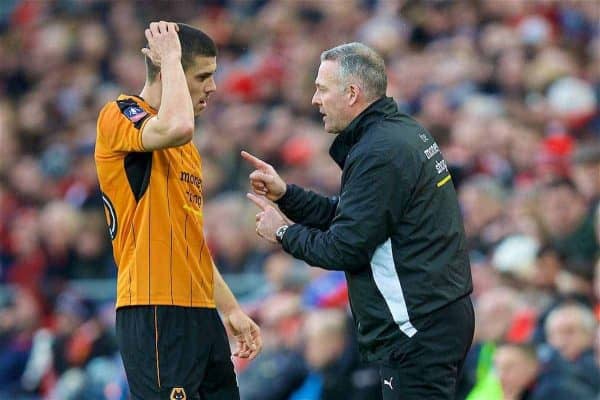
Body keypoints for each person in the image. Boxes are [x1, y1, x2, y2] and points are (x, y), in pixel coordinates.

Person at [243, 42, 474, 399]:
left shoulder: (379, 151)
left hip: (416, 326)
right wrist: (286, 195)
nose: (314, 100)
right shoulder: (401, 132)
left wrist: (283, 233)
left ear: (352, 93)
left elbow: (345, 247)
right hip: (436, 316)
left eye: (321, 89)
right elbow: (357, 218)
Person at [94, 21, 262, 400]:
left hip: (199, 310)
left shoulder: (186, 146)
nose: (213, 87)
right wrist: (169, 58)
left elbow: (189, 240)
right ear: (168, 72)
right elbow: (176, 125)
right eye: (203, 76)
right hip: (154, 309)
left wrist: (230, 307)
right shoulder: (120, 114)